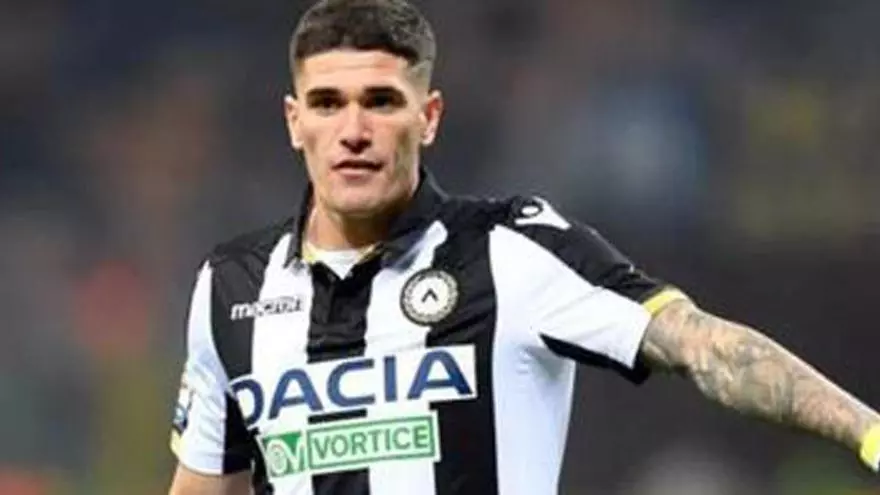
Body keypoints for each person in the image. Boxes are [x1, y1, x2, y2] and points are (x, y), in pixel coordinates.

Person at [166, 0, 880, 493]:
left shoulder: (510, 250)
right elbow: (204, 481)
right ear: (295, 121)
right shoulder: (231, 286)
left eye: (381, 101)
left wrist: (867, 430)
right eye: (328, 103)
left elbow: (701, 345)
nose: (353, 131)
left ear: (429, 116)